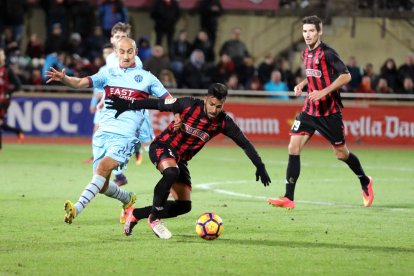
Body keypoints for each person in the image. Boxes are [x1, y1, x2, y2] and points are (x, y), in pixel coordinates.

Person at [106, 83, 271, 239]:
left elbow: (245, 143)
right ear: (206, 99)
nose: (214, 110)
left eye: (219, 106)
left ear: (224, 104)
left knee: (184, 206)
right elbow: (156, 104)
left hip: (180, 159)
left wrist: (260, 166)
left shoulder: (223, 122)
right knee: (171, 172)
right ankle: (154, 218)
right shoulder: (188, 104)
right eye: (212, 104)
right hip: (162, 146)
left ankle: (136, 214)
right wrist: (127, 105)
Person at [46, 37, 174, 225]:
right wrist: (64, 79)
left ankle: (77, 208)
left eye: (129, 51)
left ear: (135, 53)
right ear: (116, 53)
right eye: (122, 52)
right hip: (103, 134)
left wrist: (180, 111)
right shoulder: (108, 74)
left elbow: (168, 99)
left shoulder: (147, 78)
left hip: (125, 137)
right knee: (102, 183)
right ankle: (127, 199)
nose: (126, 55)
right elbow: (81, 82)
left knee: (102, 168)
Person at [267, 15, 374, 209]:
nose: (307, 35)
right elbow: (313, 75)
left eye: (311, 31)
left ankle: (365, 181)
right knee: (293, 147)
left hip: (329, 113)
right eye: (305, 31)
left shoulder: (328, 53)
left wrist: (323, 92)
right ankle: (288, 198)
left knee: (341, 154)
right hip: (309, 110)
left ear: (319, 32)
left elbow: (346, 75)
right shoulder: (305, 54)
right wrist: (301, 84)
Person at [0, 47, 24, 151]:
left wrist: (7, 92)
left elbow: (18, 85)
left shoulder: (7, 70)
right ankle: (18, 131)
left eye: (1, 55)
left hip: (3, 100)